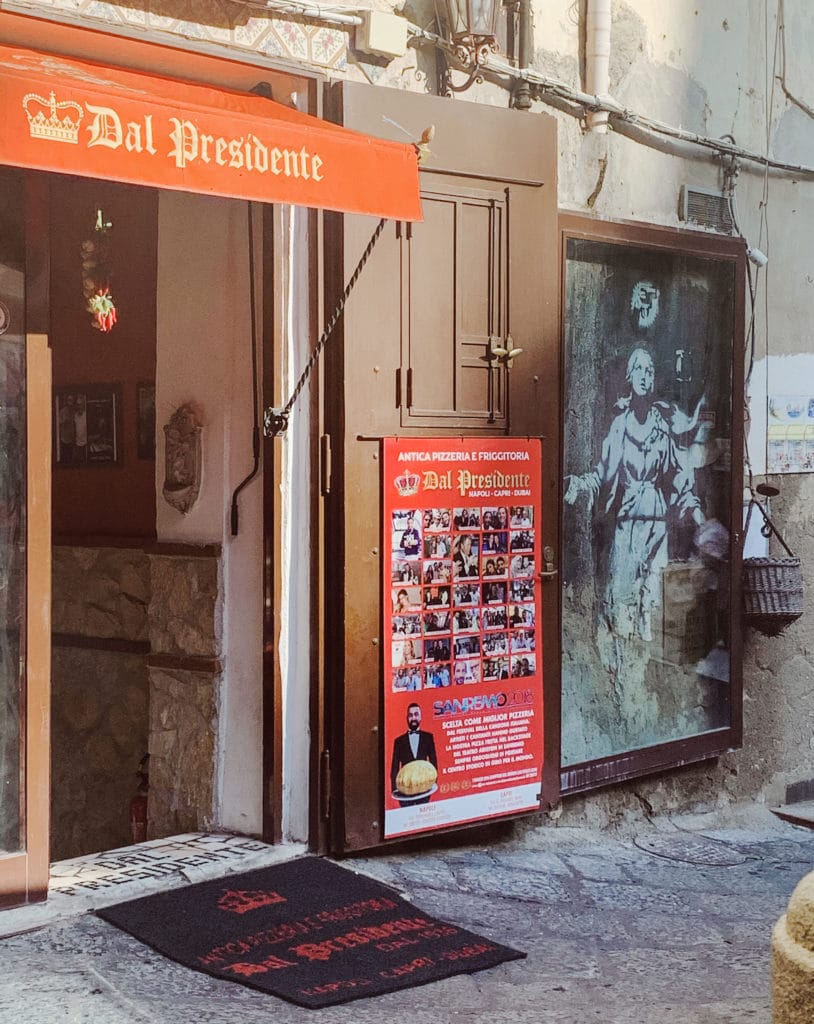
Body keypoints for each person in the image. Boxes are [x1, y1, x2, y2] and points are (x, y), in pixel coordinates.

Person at [564, 346, 705, 665]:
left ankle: (644, 678)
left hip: (656, 524)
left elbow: (679, 478)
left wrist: (702, 518)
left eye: (650, 370)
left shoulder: (662, 428)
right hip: (628, 524)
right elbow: (604, 472)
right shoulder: (619, 427)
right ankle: (621, 673)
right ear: (629, 377)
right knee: (622, 598)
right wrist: (578, 484)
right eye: (639, 369)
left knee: (651, 604)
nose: (645, 375)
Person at [390, 703, 438, 801]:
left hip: (424, 789)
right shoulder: (399, 741)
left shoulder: (428, 737)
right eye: (410, 715)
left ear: (420, 717)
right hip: (406, 792)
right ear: (407, 718)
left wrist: (432, 784)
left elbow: (433, 761)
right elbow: (395, 767)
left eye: (416, 714)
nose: (413, 718)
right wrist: (396, 791)